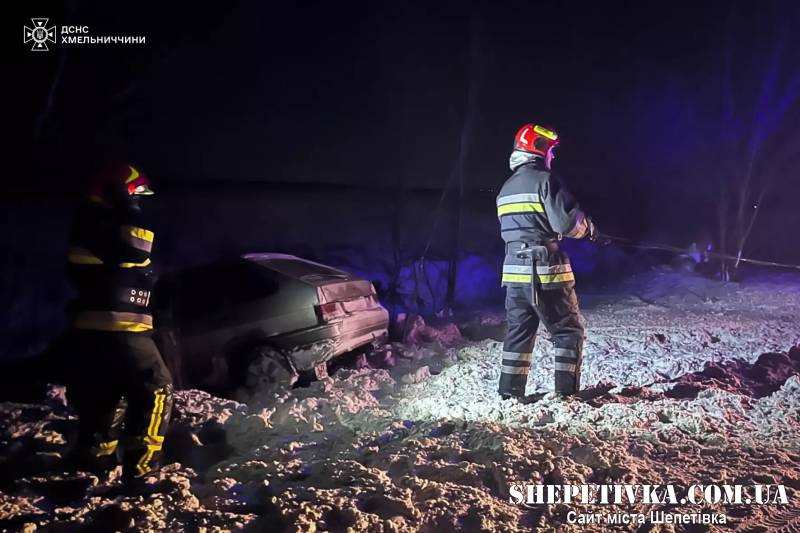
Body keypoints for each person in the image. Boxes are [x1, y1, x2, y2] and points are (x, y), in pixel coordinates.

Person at [64, 161, 173, 479]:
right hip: (119, 330)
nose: (139, 200)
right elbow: (138, 248)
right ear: (117, 191)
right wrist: (127, 207)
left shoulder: (92, 221)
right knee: (156, 390)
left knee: (107, 394)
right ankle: (141, 469)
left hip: (103, 331)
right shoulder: (102, 220)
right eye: (135, 193)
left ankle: (95, 464)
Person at [496, 124, 597, 401]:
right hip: (545, 272)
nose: (553, 156)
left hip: (514, 274)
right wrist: (586, 226)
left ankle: (509, 394)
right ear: (539, 150)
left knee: (519, 333)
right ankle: (566, 393)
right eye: (551, 150)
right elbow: (566, 224)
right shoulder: (545, 180)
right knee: (567, 330)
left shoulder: (506, 188)